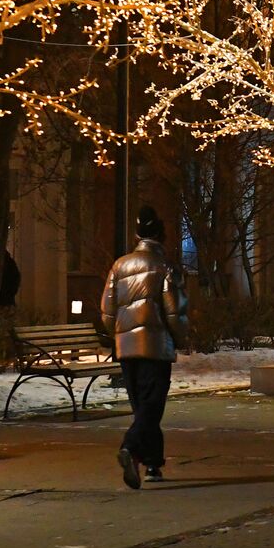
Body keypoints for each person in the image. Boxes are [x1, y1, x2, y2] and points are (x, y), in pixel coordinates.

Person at [101, 205, 190, 489]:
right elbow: (175, 312)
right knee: (152, 406)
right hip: (155, 346)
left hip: (126, 348)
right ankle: (130, 448)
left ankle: (152, 462)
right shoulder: (165, 268)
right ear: (161, 235)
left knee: (142, 406)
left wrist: (117, 335)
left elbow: (107, 310)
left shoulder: (119, 265)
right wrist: (181, 338)